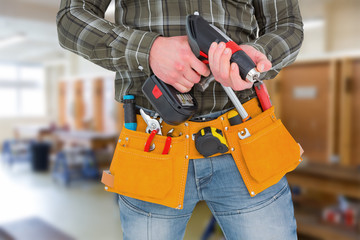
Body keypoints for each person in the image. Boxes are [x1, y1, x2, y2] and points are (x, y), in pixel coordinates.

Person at [57, 1, 304, 239]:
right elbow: (70, 18)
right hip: (152, 144)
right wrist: (148, 50)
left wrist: (255, 56)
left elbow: (287, 25)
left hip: (245, 137)